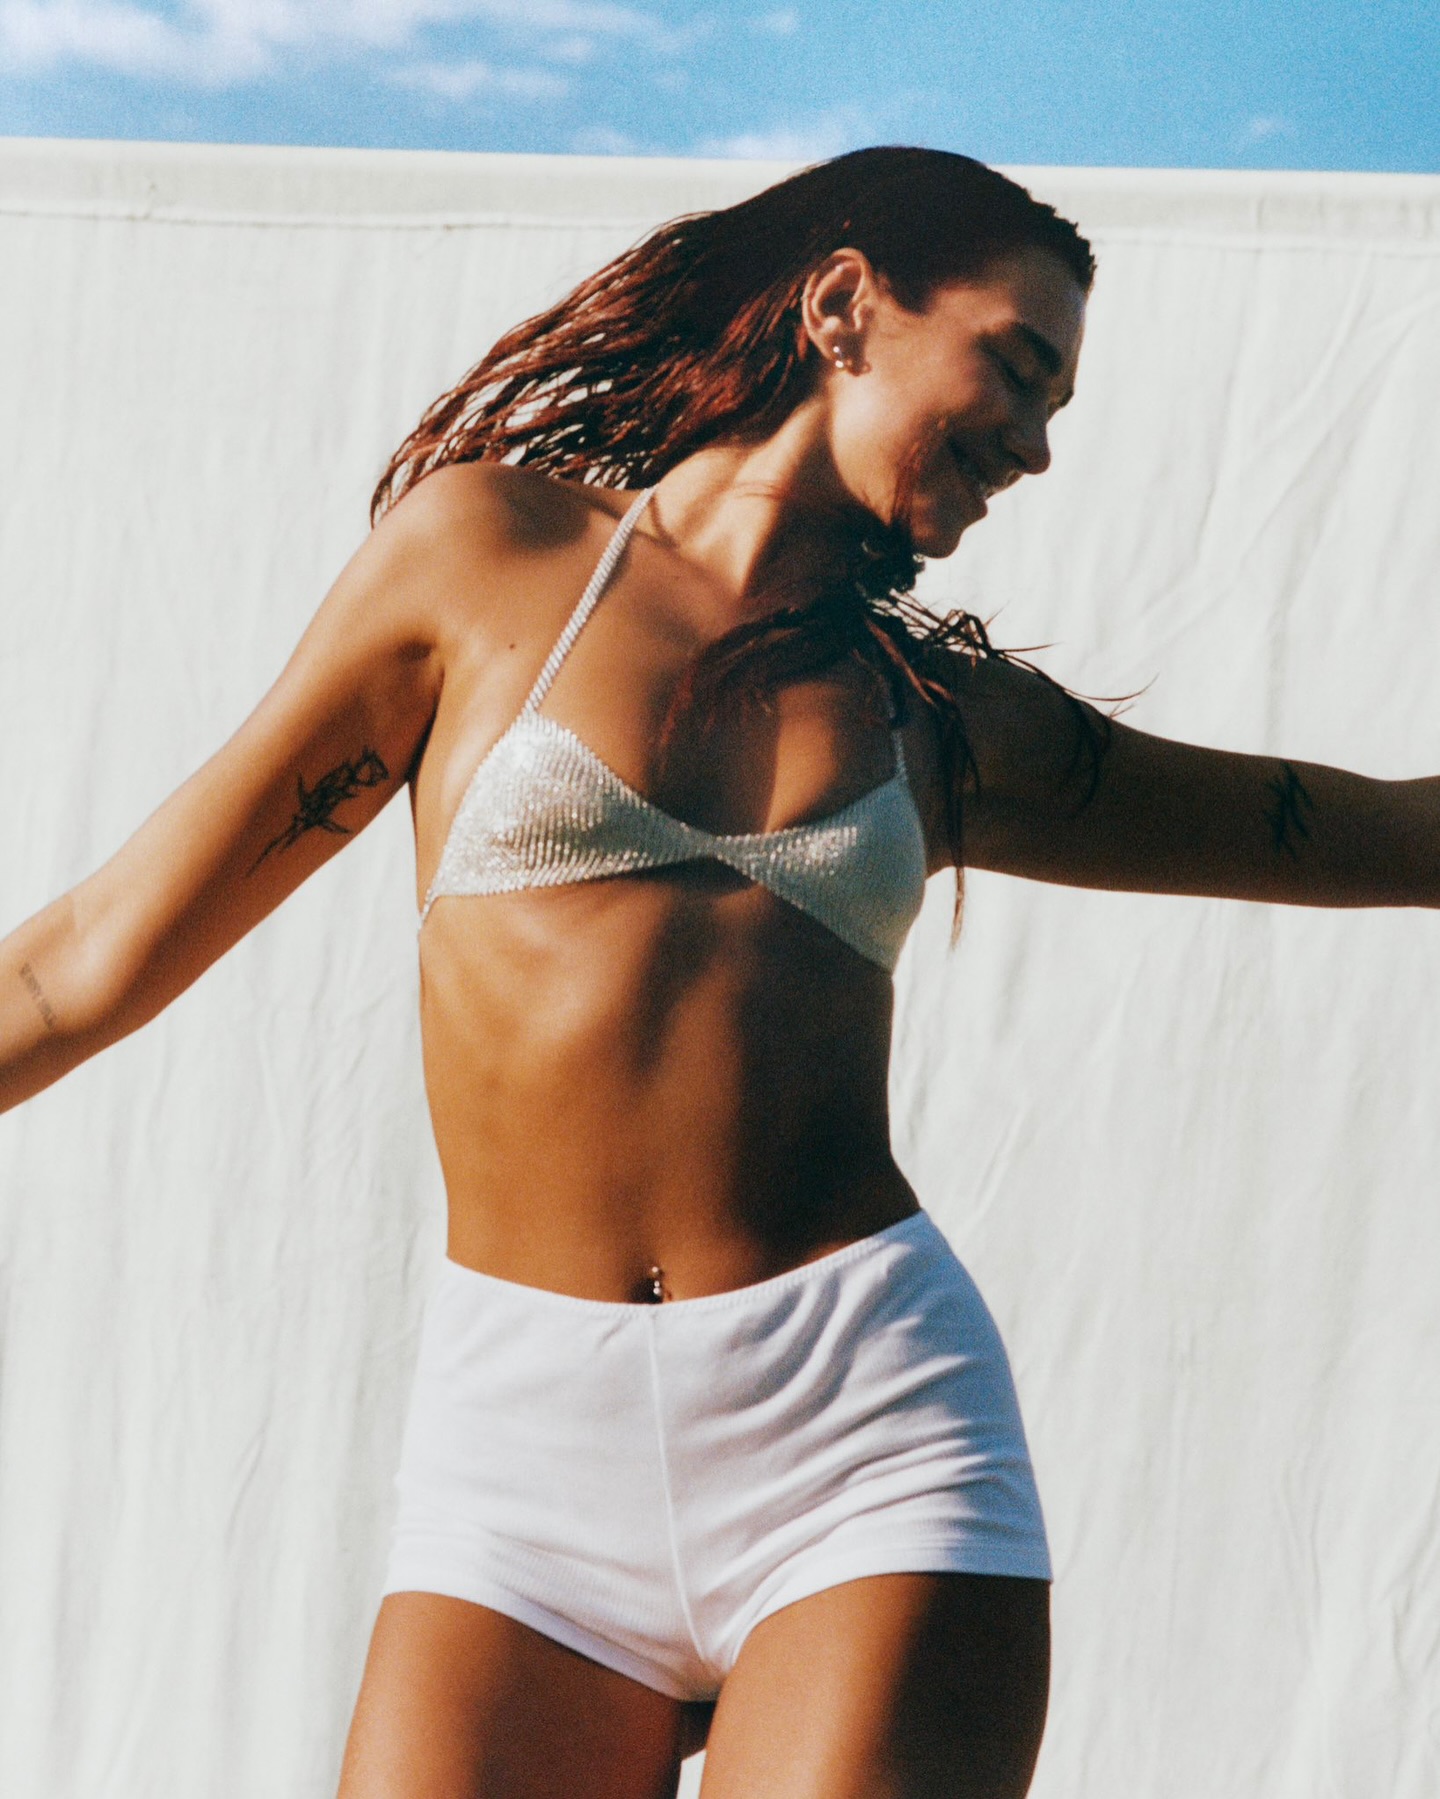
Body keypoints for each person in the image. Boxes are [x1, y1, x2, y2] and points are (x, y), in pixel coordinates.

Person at [0, 146, 1433, 1799]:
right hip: (518, 1472)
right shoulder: (484, 559)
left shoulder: (942, 721)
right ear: (844, 307)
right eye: (1018, 368)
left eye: (1059, 407)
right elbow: (80, 965)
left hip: (862, 1439)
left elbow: (1363, 830)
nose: (1039, 446)